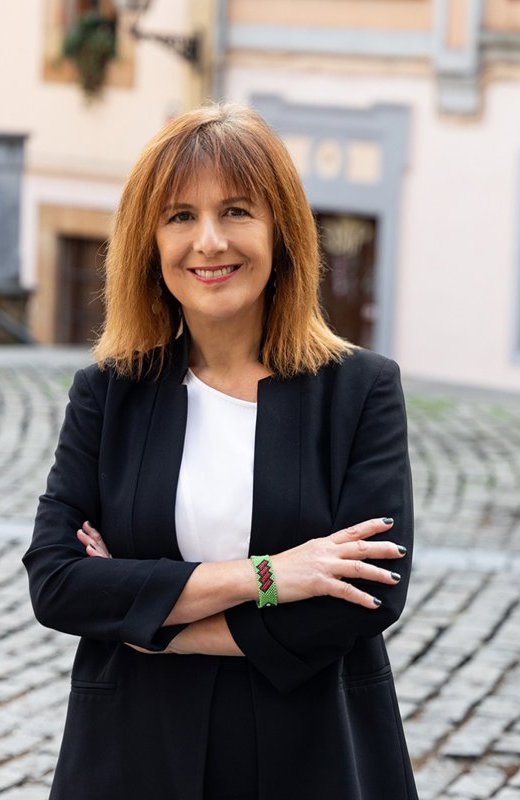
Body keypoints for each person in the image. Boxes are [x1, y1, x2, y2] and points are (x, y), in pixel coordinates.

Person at [23, 102, 417, 800]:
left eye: (236, 211)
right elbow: (58, 584)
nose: (209, 241)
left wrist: (156, 623)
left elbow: (364, 597)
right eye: (180, 216)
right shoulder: (109, 394)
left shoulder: (360, 391)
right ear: (150, 244)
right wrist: (269, 576)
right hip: (136, 755)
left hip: (311, 756)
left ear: (280, 232)